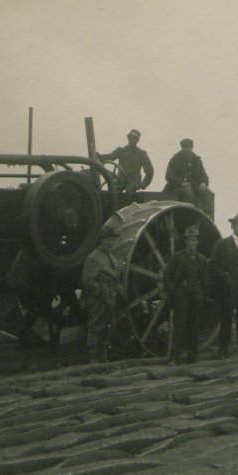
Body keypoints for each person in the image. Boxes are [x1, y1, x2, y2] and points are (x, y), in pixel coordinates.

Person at [161, 225, 210, 364]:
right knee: (179, 326)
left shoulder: (202, 260)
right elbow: (167, 277)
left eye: (194, 240)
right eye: (189, 240)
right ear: (185, 242)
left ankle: (192, 356)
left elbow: (206, 280)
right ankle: (175, 357)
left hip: (196, 297)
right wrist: (175, 292)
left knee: (194, 326)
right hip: (181, 296)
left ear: (197, 242)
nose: (191, 243)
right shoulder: (177, 257)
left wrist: (203, 295)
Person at [210, 213, 238, 358]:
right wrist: (225, 278)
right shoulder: (222, 244)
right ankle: (223, 351)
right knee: (226, 319)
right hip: (228, 288)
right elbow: (213, 265)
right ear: (232, 226)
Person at [81, 226, 126, 361]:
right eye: (107, 240)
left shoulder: (111, 256)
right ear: (101, 241)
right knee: (95, 329)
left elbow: (116, 276)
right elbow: (87, 281)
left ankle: (104, 360)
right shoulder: (93, 258)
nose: (110, 243)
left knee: (108, 329)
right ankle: (93, 360)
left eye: (112, 240)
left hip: (111, 298)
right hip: (98, 300)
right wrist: (101, 290)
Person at [163, 138, 215, 218]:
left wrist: (203, 183)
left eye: (189, 147)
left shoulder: (196, 160)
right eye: (185, 147)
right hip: (177, 188)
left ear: (192, 147)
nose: (187, 149)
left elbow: (203, 175)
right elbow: (168, 176)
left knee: (208, 193)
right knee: (187, 190)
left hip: (194, 187)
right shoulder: (175, 160)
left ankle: (207, 217)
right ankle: (190, 215)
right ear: (181, 148)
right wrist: (181, 182)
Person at [98, 129, 154, 201]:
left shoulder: (142, 154)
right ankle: (111, 208)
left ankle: (128, 209)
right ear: (128, 138)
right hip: (120, 178)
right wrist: (100, 157)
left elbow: (150, 171)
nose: (132, 140)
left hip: (134, 180)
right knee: (111, 190)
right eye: (131, 138)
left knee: (130, 193)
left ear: (138, 140)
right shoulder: (121, 150)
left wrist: (144, 184)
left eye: (135, 138)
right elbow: (111, 156)